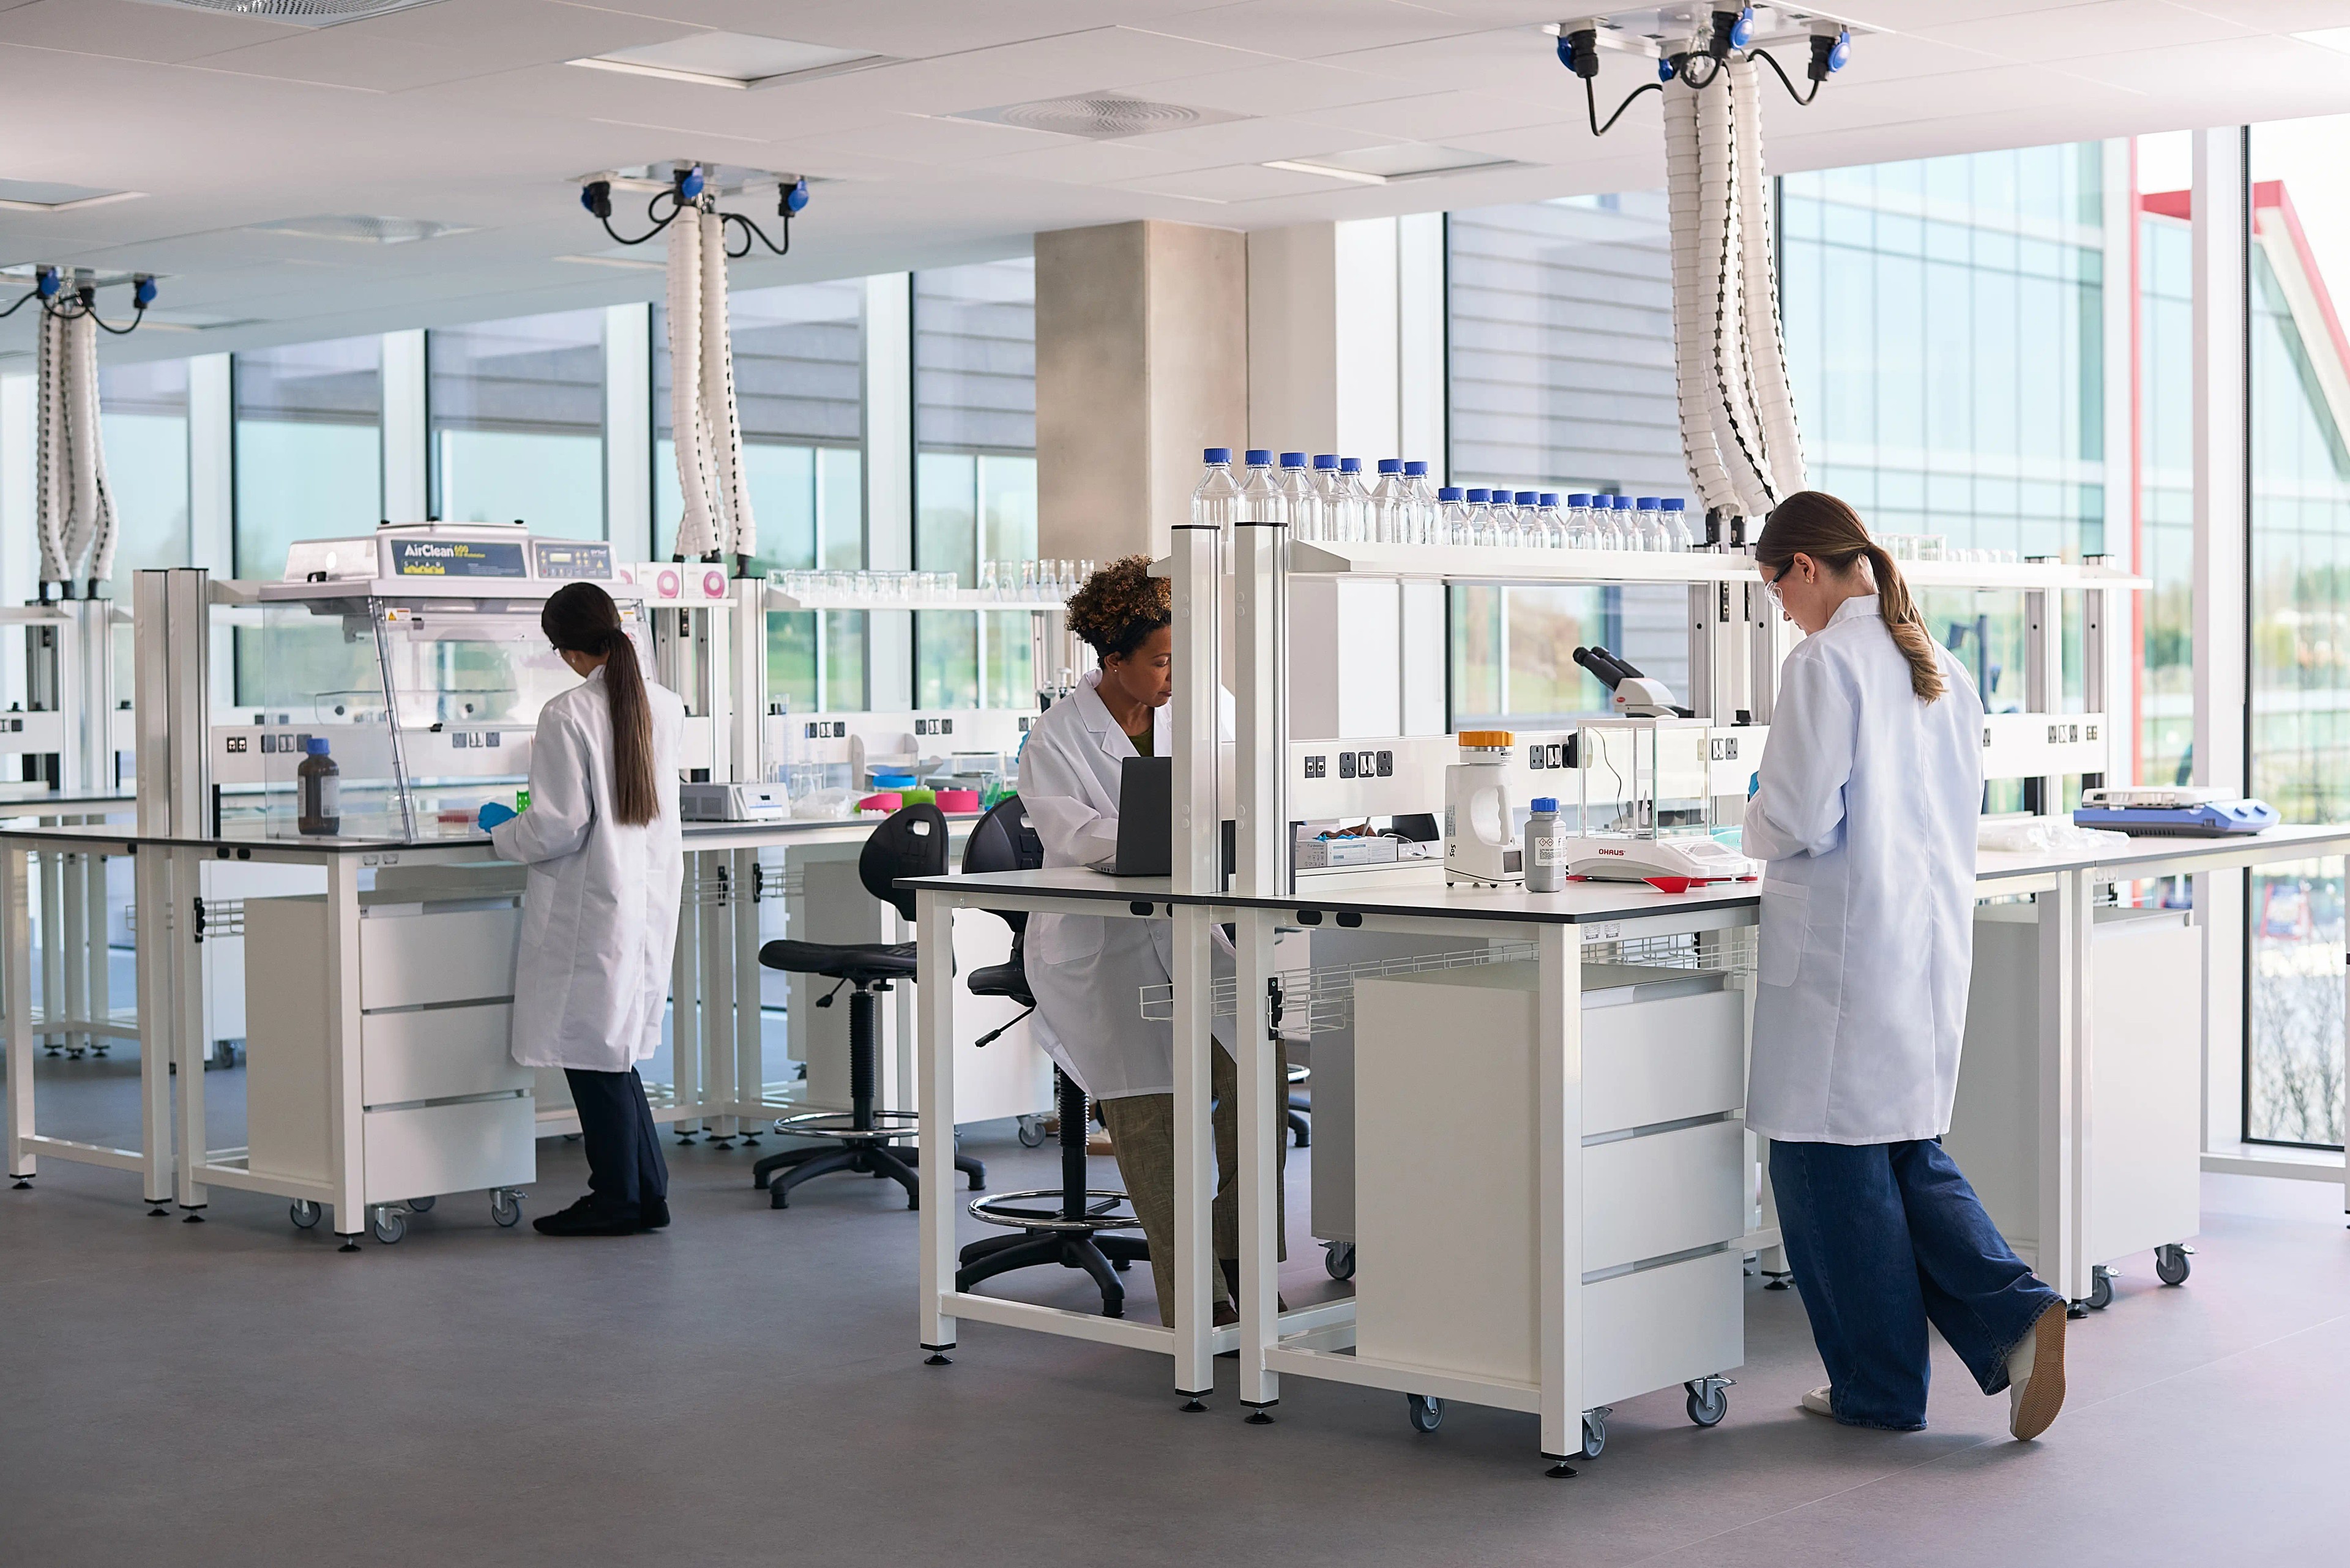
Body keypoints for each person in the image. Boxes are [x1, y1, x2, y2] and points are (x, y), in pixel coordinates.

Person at [1745, 490, 2068, 1439]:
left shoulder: (1824, 664)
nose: (1782, 610)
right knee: (1900, 1150)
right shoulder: (1941, 666)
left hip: (1842, 959)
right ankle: (2016, 1314)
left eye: (1775, 588)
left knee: (1820, 1164)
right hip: (1917, 950)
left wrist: (1750, 814)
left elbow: (1797, 817)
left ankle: (1880, 1388)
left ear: (1806, 567)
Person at [1018, 556, 1280, 1327]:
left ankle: (1239, 1257)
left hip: (1201, 934)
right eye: (1162, 661)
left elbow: (1252, 786)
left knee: (1256, 1079)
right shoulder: (1057, 738)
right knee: (1150, 1120)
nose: (1176, 675)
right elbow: (1074, 836)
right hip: (1103, 949)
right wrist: (1175, 831)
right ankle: (1193, 1301)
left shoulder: (1209, 707)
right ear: (1114, 661)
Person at [480, 581, 687, 1238]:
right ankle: (646, 1194)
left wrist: (502, 831)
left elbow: (557, 826)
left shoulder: (567, 714)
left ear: (567, 651)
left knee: (595, 1054)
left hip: (593, 902)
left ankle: (616, 1199)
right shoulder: (666, 705)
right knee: (613, 1050)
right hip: (642, 894)